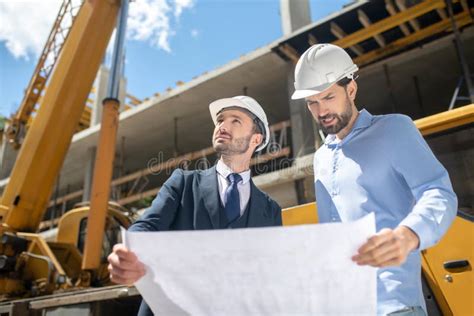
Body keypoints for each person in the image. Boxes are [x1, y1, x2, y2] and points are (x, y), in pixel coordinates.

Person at [291, 43, 457, 315]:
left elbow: (439, 192)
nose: (321, 111)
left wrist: (409, 234)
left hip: (394, 305)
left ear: (351, 89)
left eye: (329, 97)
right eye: (312, 102)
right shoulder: (320, 159)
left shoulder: (394, 129)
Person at [107, 96, 282, 316]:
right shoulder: (183, 183)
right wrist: (128, 253)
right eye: (220, 120)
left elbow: (270, 276)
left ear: (256, 139)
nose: (223, 126)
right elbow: (146, 227)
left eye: (235, 121)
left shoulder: (271, 210)